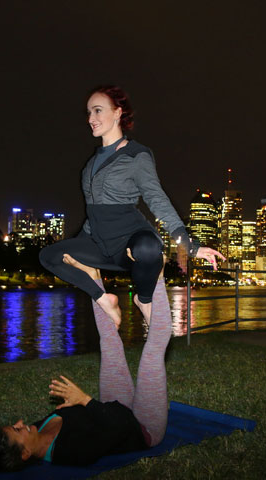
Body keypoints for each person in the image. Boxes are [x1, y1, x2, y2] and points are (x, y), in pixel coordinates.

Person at [39, 85, 225, 328]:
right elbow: (93, 211)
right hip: (99, 243)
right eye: (88, 112)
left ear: (117, 113)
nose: (91, 119)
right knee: (48, 256)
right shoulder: (91, 164)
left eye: (97, 111)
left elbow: (156, 198)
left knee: (148, 248)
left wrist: (190, 246)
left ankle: (143, 299)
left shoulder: (137, 155)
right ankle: (106, 301)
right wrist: (78, 244)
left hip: (130, 241)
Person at [0, 273, 174, 470]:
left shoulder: (39, 429)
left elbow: (101, 413)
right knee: (153, 351)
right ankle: (157, 275)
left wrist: (81, 403)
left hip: (113, 408)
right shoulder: (72, 453)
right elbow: (124, 422)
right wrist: (84, 400)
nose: (20, 422)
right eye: (17, 430)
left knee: (109, 342)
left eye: (14, 424)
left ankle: (92, 274)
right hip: (141, 428)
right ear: (25, 454)